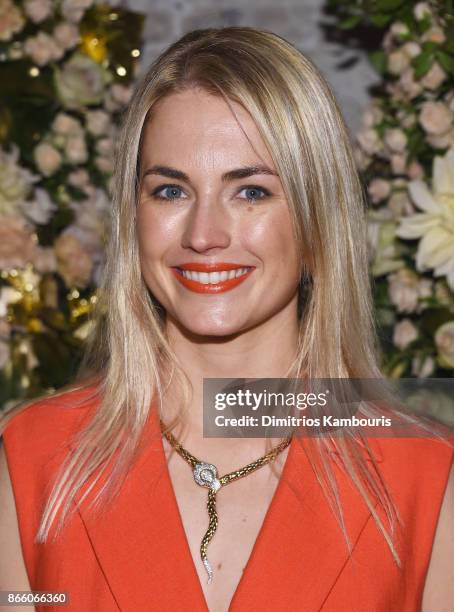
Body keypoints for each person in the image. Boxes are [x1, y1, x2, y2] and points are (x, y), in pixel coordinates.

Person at [0, 26, 453, 612]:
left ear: (319, 219)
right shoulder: (36, 455)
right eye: (169, 192)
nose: (203, 235)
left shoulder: (424, 476)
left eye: (251, 192)